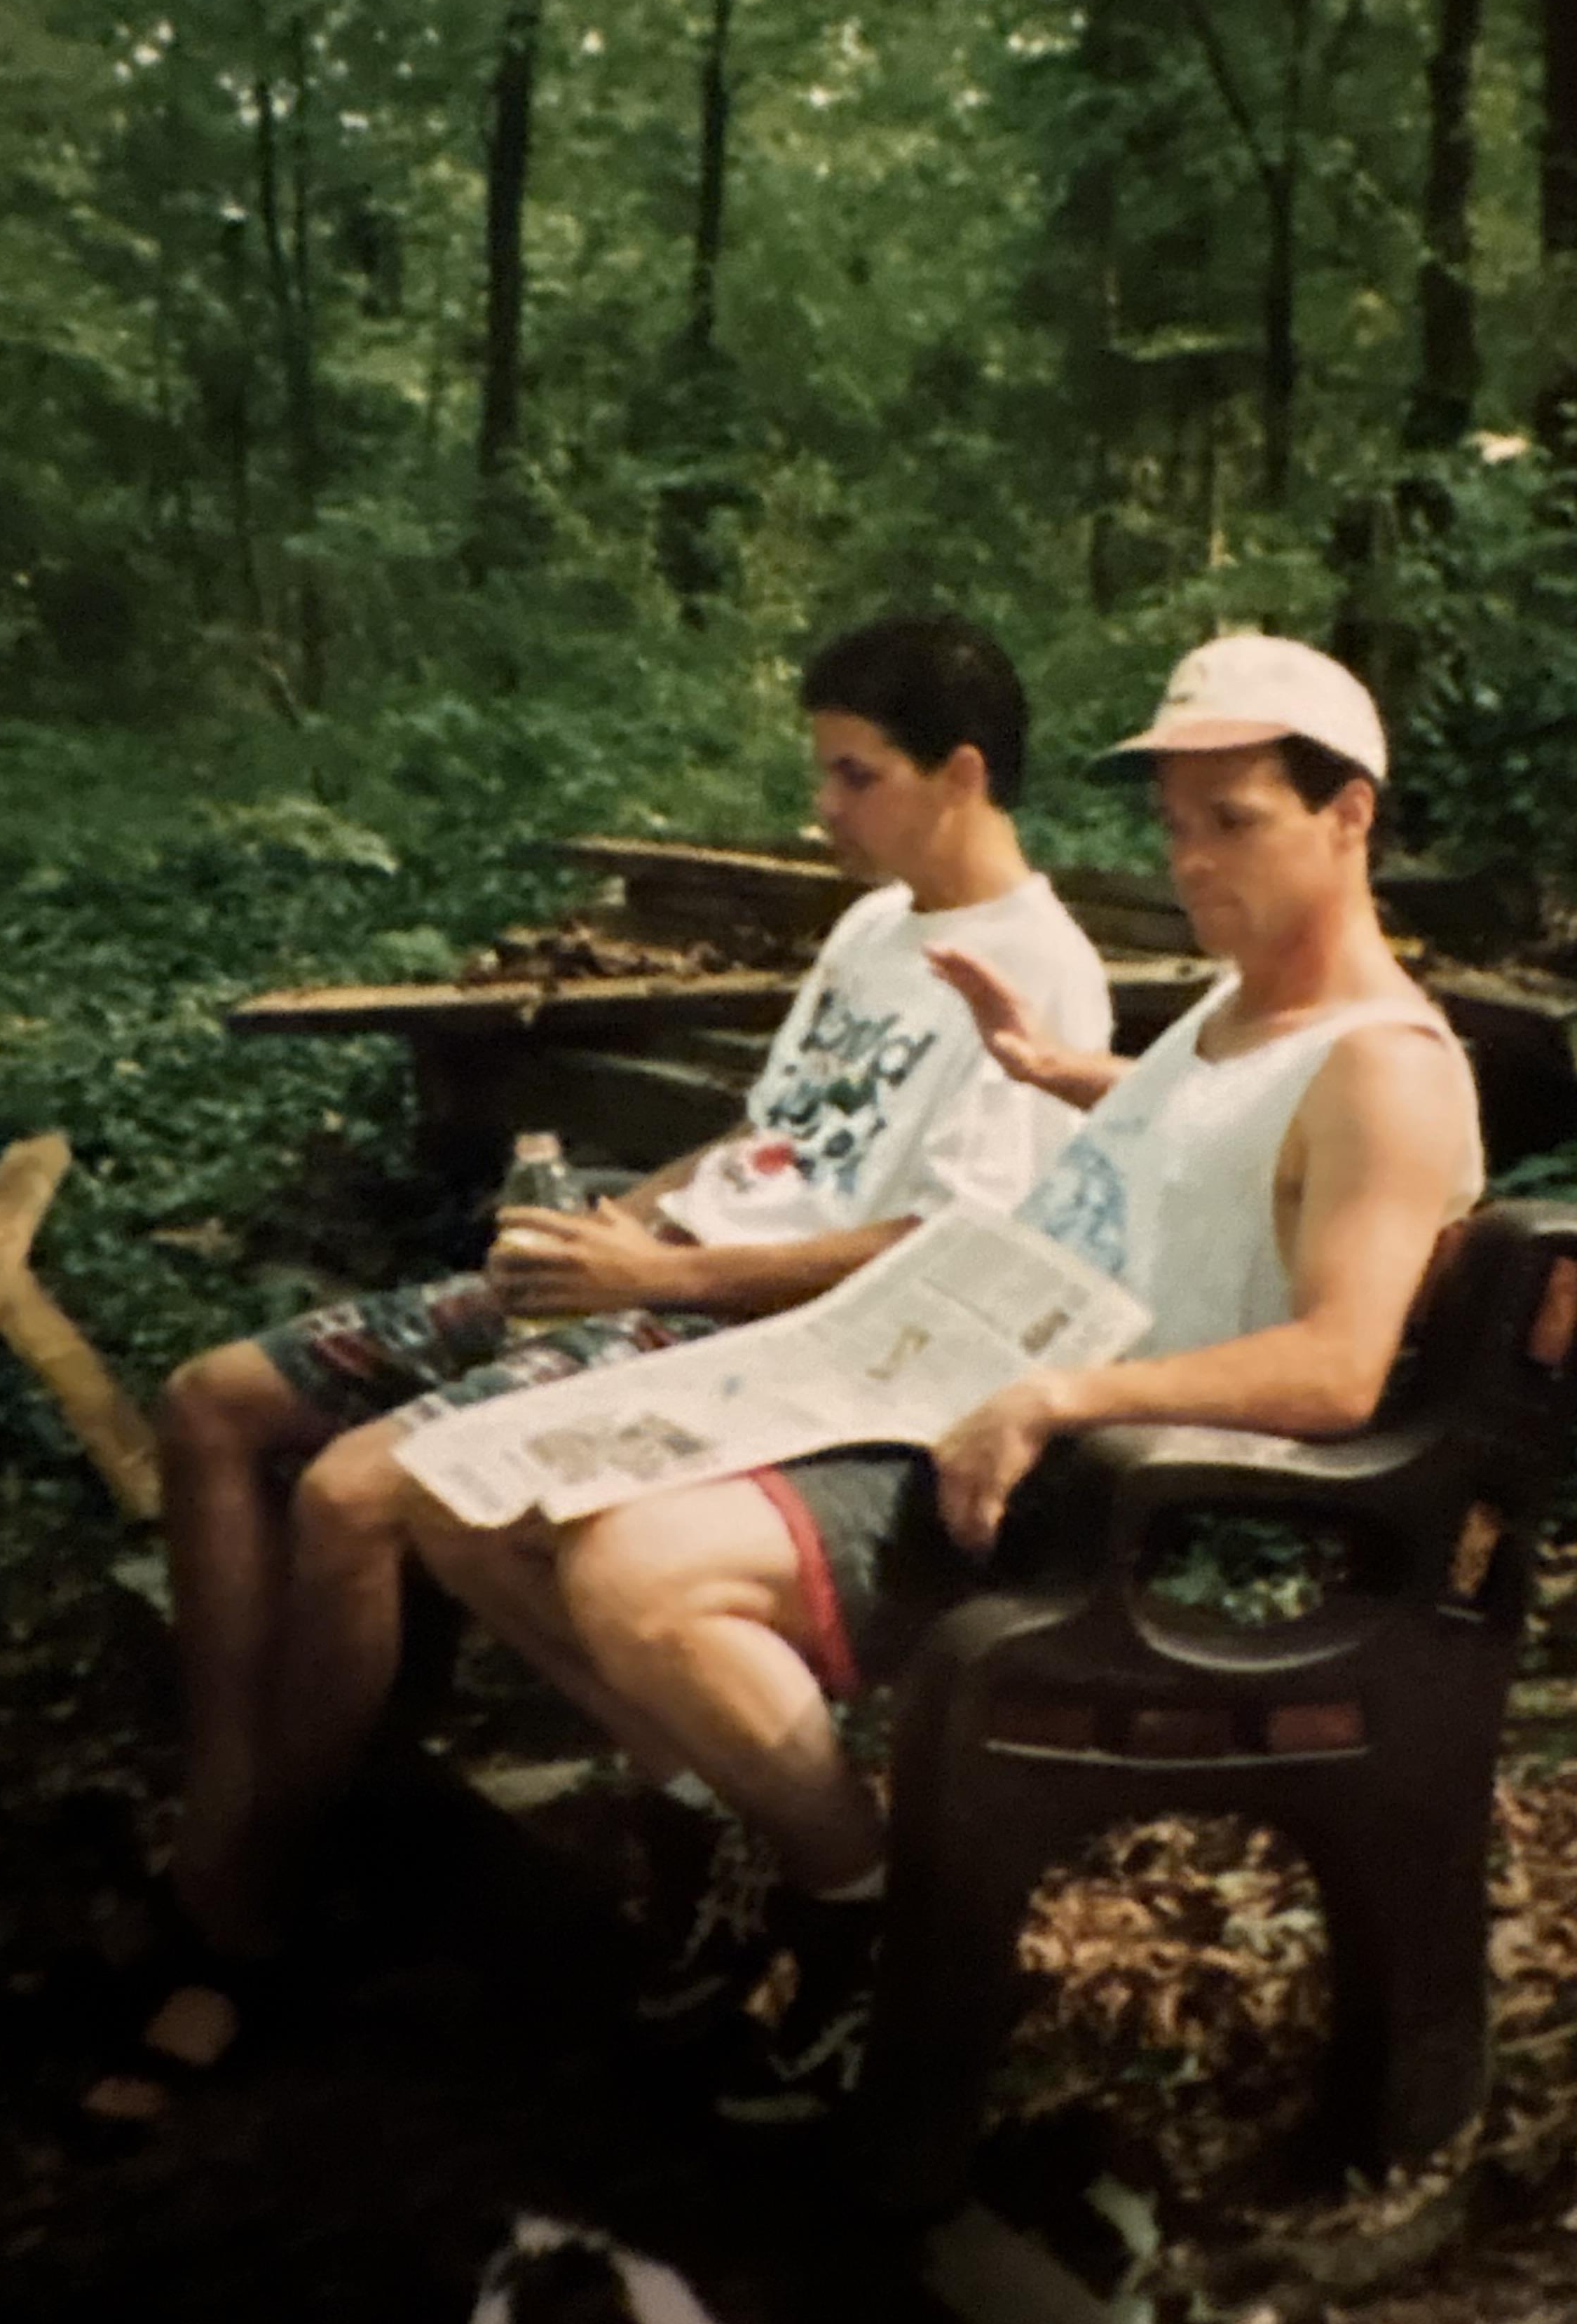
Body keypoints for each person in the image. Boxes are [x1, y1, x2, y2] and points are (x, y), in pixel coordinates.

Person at [390, 632, 1487, 2121]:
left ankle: (862, 1916)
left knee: (639, 1579)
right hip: (957, 1371)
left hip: (1094, 1490)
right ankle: (737, 1827)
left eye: (1233, 822)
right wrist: (1060, 1072)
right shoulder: (1245, 1011)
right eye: (1175, 825)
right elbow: (1230, 1130)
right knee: (480, 1487)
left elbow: (1339, 1367)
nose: (1191, 861)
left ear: (1348, 813)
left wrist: (1056, 1400)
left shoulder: (1386, 1066)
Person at [95, 615, 1111, 2114]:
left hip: (744, 1326)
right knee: (211, 1404)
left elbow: (939, 1250)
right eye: (824, 772)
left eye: (855, 775)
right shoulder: (872, 928)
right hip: (659, 1262)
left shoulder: (1041, 976)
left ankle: (243, 1925)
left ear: (961, 774)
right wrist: (614, 1222)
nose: (823, 809)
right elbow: (776, 1138)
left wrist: (658, 1276)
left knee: (358, 1497)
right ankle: (226, 1828)